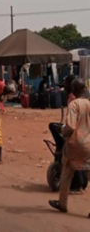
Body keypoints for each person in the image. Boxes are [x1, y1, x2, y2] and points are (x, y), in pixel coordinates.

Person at [49, 79, 90, 214]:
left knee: (66, 172)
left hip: (74, 144)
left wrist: (61, 130)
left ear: (73, 90)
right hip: (88, 144)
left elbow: (71, 126)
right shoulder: (89, 104)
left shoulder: (74, 104)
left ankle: (62, 203)